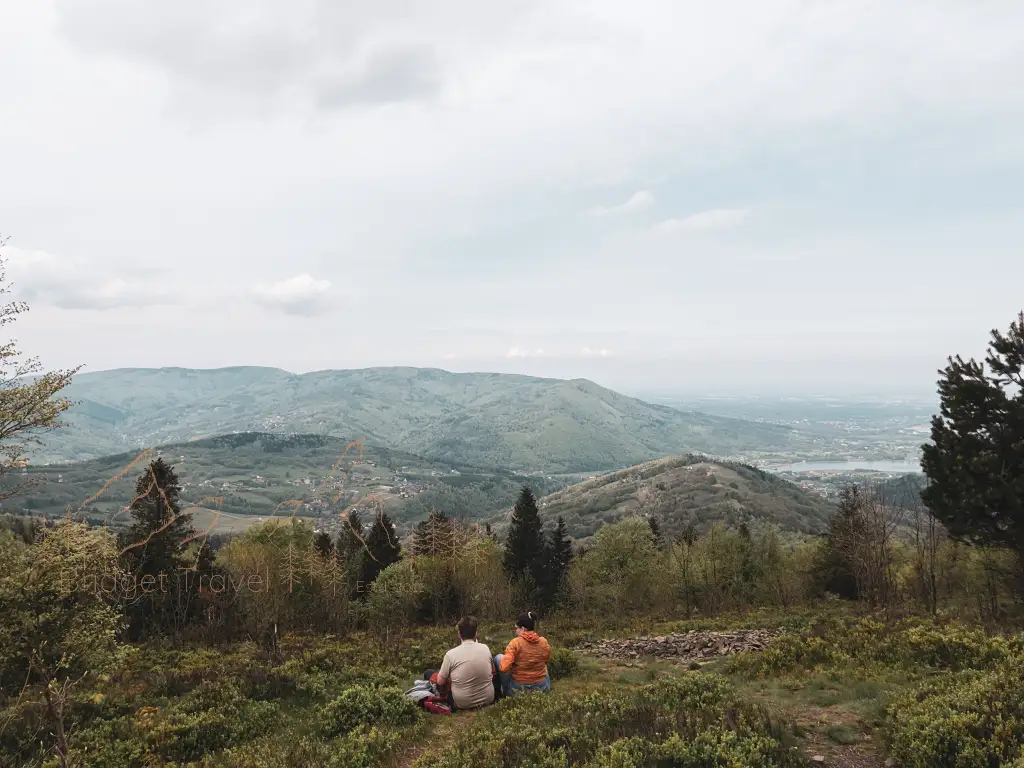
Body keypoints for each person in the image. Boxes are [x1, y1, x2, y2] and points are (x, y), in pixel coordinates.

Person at [426, 616, 495, 711]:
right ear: (476, 634)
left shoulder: (451, 654)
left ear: (459, 634)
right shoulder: (485, 648)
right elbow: (492, 672)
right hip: (488, 699)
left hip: (461, 703)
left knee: (429, 673)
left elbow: (440, 682)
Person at [494, 611, 551, 697]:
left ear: (523, 629)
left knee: (498, 658)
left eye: (516, 628)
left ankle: (502, 692)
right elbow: (547, 659)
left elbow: (504, 668)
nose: (515, 631)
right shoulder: (543, 642)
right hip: (541, 689)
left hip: (518, 691)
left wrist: (514, 665)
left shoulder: (515, 643)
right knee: (544, 665)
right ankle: (545, 690)